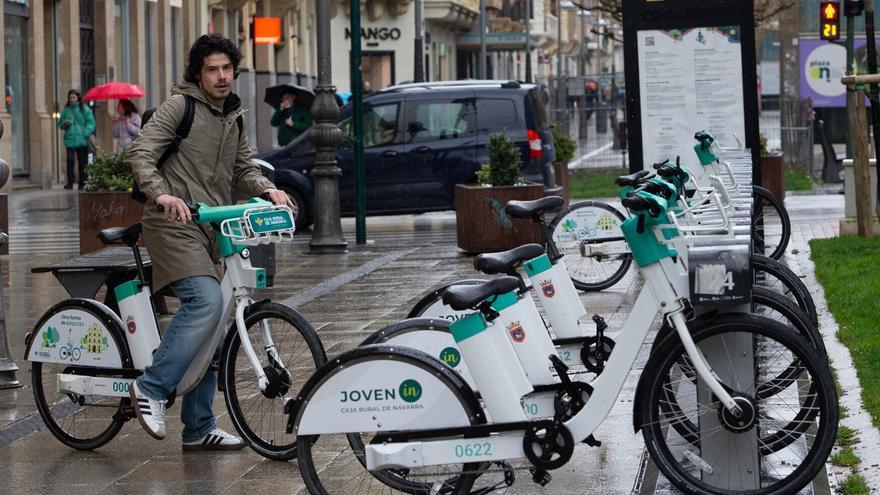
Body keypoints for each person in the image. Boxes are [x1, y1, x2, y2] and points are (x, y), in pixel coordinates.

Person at [125, 33, 294, 451]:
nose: (221, 77)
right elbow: (140, 153)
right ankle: (151, 387)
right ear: (198, 74)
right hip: (172, 221)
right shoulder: (179, 107)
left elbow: (242, 171)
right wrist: (161, 193)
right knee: (206, 302)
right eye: (211, 69)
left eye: (226, 68)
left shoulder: (233, 115)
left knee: (217, 325)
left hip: (211, 225)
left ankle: (198, 428)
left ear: (234, 71)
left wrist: (266, 188)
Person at [58, 89, 95, 189]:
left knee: (82, 162)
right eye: (70, 98)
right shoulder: (66, 110)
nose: (72, 100)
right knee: (70, 161)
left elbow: (91, 123)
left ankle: (82, 183)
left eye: (74, 97)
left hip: (82, 140)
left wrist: (85, 133)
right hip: (70, 140)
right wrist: (64, 124)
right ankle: (70, 182)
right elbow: (60, 124)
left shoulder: (85, 109)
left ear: (78, 98)